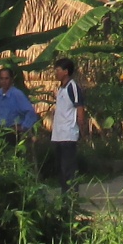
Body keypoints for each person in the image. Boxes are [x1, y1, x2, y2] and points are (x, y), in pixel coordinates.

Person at [47, 58, 89, 187]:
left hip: (68, 134)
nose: (56, 73)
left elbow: (80, 108)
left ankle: (72, 200)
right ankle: (64, 199)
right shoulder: (61, 89)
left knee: (68, 169)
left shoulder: (73, 87)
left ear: (66, 72)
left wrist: (81, 129)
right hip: (59, 135)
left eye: (58, 70)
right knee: (61, 169)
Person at [0, 65, 38, 143]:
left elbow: (30, 112)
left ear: (11, 79)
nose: (4, 81)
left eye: (6, 78)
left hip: (12, 133)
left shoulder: (17, 94)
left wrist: (23, 127)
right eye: (2, 79)